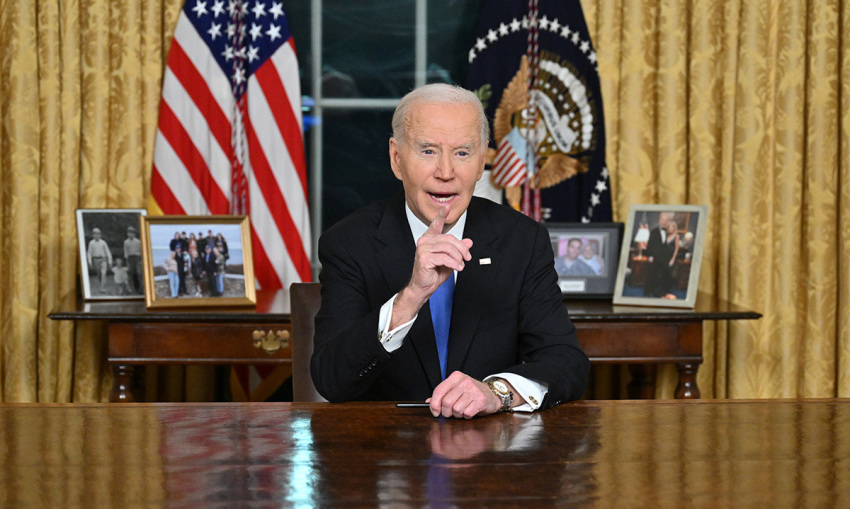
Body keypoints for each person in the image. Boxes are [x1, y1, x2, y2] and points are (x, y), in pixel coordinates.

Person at [311, 83, 589, 419]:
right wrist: (411, 297)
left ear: (482, 159)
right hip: (385, 452)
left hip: (493, 455)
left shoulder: (522, 240)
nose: (446, 172)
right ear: (397, 159)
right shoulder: (349, 243)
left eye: (462, 153)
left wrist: (496, 392)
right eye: (428, 151)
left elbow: (566, 362)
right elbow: (331, 380)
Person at [644, 212, 676, 297]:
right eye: (663, 220)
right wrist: (650, 256)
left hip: (664, 259)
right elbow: (650, 245)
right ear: (660, 220)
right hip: (655, 258)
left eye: (666, 220)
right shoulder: (654, 231)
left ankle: (659, 293)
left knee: (663, 277)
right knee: (651, 276)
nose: (664, 222)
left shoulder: (668, 232)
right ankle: (647, 293)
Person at [86, 227, 112, 294]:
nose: (97, 235)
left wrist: (109, 260)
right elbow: (89, 253)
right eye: (95, 234)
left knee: (103, 273)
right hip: (96, 260)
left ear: (100, 235)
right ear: (93, 235)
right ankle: (102, 285)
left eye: (98, 234)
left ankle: (102, 288)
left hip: (103, 259)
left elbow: (107, 251)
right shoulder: (91, 243)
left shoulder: (103, 243)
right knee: (99, 274)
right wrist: (90, 261)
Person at [124, 226, 143, 294]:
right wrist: (127, 262)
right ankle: (136, 288)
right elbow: (126, 252)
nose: (130, 234)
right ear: (127, 234)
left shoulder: (138, 242)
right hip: (130, 258)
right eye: (129, 233)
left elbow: (141, 251)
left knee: (139, 273)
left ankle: (142, 288)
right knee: (133, 273)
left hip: (137, 258)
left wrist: (141, 260)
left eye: (132, 233)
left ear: (134, 234)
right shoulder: (126, 242)